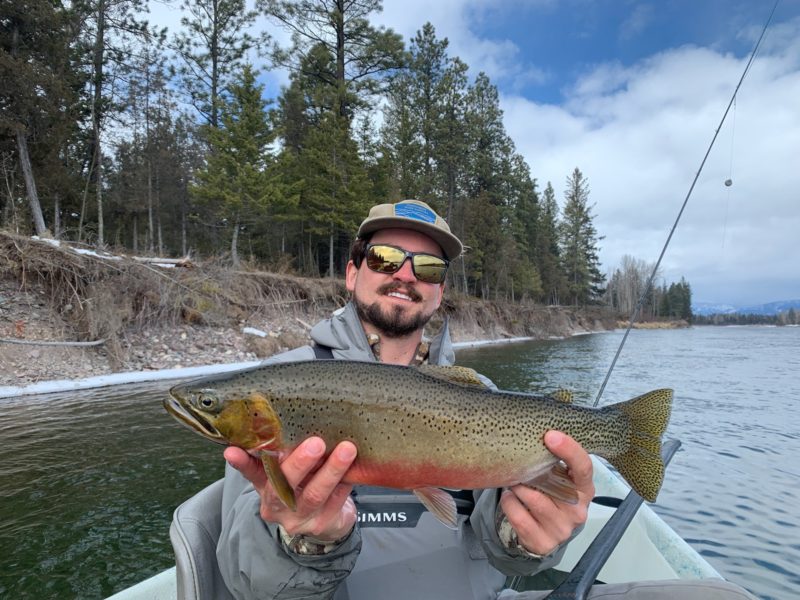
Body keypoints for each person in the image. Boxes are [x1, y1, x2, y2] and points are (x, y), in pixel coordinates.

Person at [215, 199, 595, 599]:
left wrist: (532, 540)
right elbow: (248, 583)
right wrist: (307, 543)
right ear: (351, 273)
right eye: (384, 258)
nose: (405, 274)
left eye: (428, 268)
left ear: (439, 291)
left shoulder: (479, 393)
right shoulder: (281, 384)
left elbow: (507, 555)